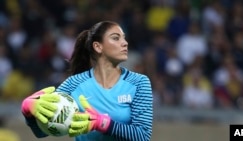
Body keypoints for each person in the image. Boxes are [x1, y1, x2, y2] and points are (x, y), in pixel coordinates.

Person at [21, 21, 153, 141]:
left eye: (124, 37)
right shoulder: (73, 84)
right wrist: (29, 114)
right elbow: (43, 132)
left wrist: (102, 123)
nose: (125, 42)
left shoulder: (139, 82)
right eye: (116, 38)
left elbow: (143, 135)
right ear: (98, 46)